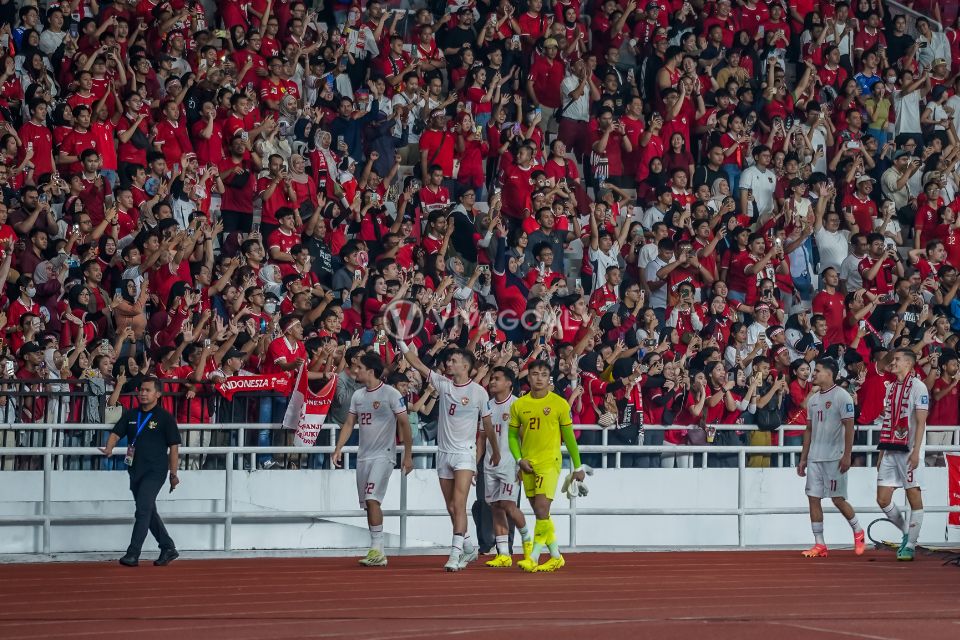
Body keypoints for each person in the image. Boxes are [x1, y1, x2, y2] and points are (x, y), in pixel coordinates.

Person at [398, 341, 500, 571]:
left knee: (459, 504)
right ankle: (468, 547)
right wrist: (401, 342)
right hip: (444, 453)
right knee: (451, 507)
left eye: (454, 361)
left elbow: (487, 426)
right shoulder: (443, 384)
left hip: (465, 454)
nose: (449, 363)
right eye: (449, 360)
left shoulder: (478, 392)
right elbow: (417, 363)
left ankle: (454, 554)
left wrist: (495, 451)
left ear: (465, 366)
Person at [332, 353, 413, 567]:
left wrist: (407, 455)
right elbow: (349, 423)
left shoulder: (391, 394)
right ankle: (377, 550)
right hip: (364, 456)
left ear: (370, 371)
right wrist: (338, 448)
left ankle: (377, 549)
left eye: (359, 367)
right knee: (368, 504)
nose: (355, 371)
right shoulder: (358, 396)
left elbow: (405, 423)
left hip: (384, 455)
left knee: (372, 498)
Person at [510, 360, 585, 573]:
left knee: (542, 508)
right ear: (529, 377)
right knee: (540, 512)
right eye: (535, 374)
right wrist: (519, 460)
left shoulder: (559, 404)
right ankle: (556, 556)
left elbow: (569, 438)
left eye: (543, 374)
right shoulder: (519, 405)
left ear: (549, 378)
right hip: (527, 463)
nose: (539, 378)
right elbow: (512, 436)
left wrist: (577, 467)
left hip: (550, 462)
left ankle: (533, 557)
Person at [98, 377, 181, 567]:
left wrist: (173, 474)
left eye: (147, 390)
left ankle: (133, 553)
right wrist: (109, 447)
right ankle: (168, 547)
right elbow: (116, 433)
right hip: (135, 469)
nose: (143, 393)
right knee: (148, 510)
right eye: (141, 390)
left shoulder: (165, 417)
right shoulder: (131, 414)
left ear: (158, 394)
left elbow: (174, 448)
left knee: (143, 509)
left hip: (155, 471)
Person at [797, 358, 865, 558]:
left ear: (829, 373)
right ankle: (820, 544)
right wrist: (803, 458)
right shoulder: (813, 399)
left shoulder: (842, 396)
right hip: (814, 458)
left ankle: (858, 531)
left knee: (838, 499)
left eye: (817, 370)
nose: (813, 374)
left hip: (835, 457)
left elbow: (850, 427)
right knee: (813, 498)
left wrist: (847, 455)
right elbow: (809, 430)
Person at [876, 348, 929, 562]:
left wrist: (916, 451)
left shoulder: (918, 387)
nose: (893, 362)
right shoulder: (891, 388)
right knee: (882, 499)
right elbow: (887, 421)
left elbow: (921, 422)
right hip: (891, 447)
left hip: (909, 450)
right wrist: (882, 451)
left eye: (897, 359)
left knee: (913, 495)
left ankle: (910, 545)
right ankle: (907, 532)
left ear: (908, 363)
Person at [480, 366, 533, 568]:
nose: (492, 381)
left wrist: (523, 463)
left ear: (509, 383)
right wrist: (477, 464)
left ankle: (528, 543)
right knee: (495, 506)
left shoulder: (517, 405)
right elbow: (482, 437)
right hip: (490, 464)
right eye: (492, 378)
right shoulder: (487, 406)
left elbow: (525, 437)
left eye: (497, 378)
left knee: (509, 506)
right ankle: (503, 554)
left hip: (511, 464)